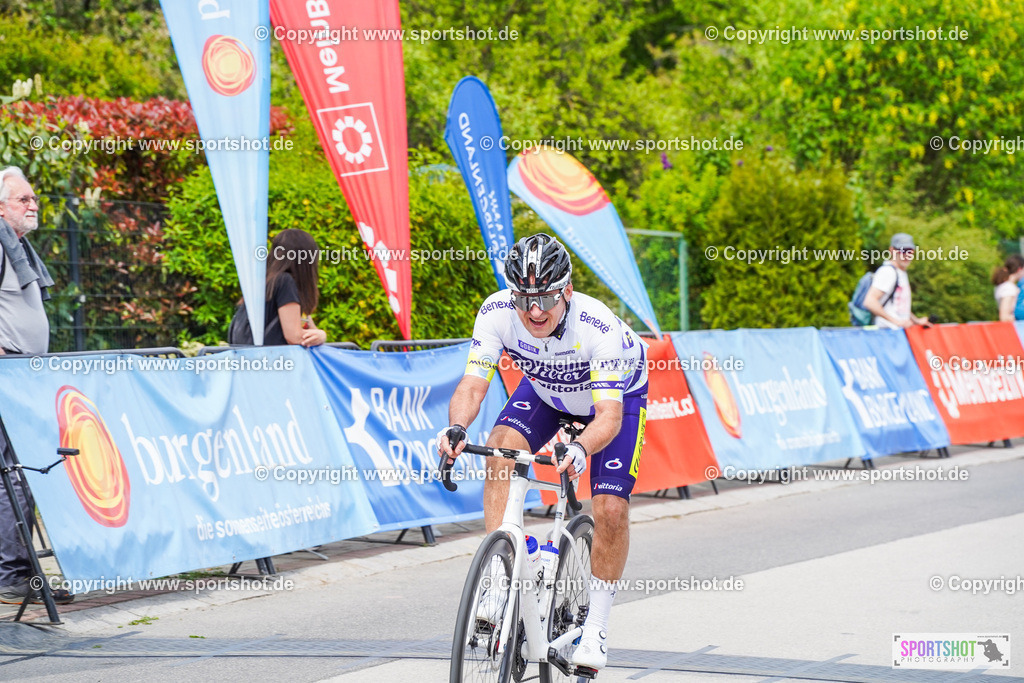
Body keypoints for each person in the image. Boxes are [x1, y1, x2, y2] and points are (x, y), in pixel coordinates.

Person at [438, 234, 648, 672]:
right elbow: (473, 385)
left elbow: (607, 417)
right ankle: (501, 574)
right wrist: (457, 427)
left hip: (614, 400)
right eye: (524, 298)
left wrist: (580, 447)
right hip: (547, 392)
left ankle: (596, 629)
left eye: (547, 298)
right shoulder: (496, 313)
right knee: (500, 447)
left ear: (567, 290)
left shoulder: (599, 326)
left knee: (609, 507)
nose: (534, 311)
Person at [0, 166, 72, 605]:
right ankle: (13, 578)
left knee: (22, 476)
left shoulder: (18, 248)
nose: (33, 204)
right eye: (23, 199)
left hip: (24, 379)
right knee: (12, 478)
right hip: (8, 377)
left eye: (34, 198)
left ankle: (24, 575)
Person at [229, 229, 327, 346]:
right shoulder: (285, 282)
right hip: (273, 360)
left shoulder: (266, 281)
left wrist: (316, 333)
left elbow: (306, 324)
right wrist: (322, 335)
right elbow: (294, 337)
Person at [863, 232, 930, 328]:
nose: (907, 255)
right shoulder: (888, 272)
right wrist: (896, 322)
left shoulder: (901, 272)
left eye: (910, 251)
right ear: (892, 250)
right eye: (903, 251)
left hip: (897, 334)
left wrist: (917, 321)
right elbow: (870, 302)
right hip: (886, 333)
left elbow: (899, 307)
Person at [992, 255, 1024, 322]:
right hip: (1014, 328)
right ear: (1019, 269)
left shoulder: (1007, 286)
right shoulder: (1008, 288)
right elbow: (1004, 317)